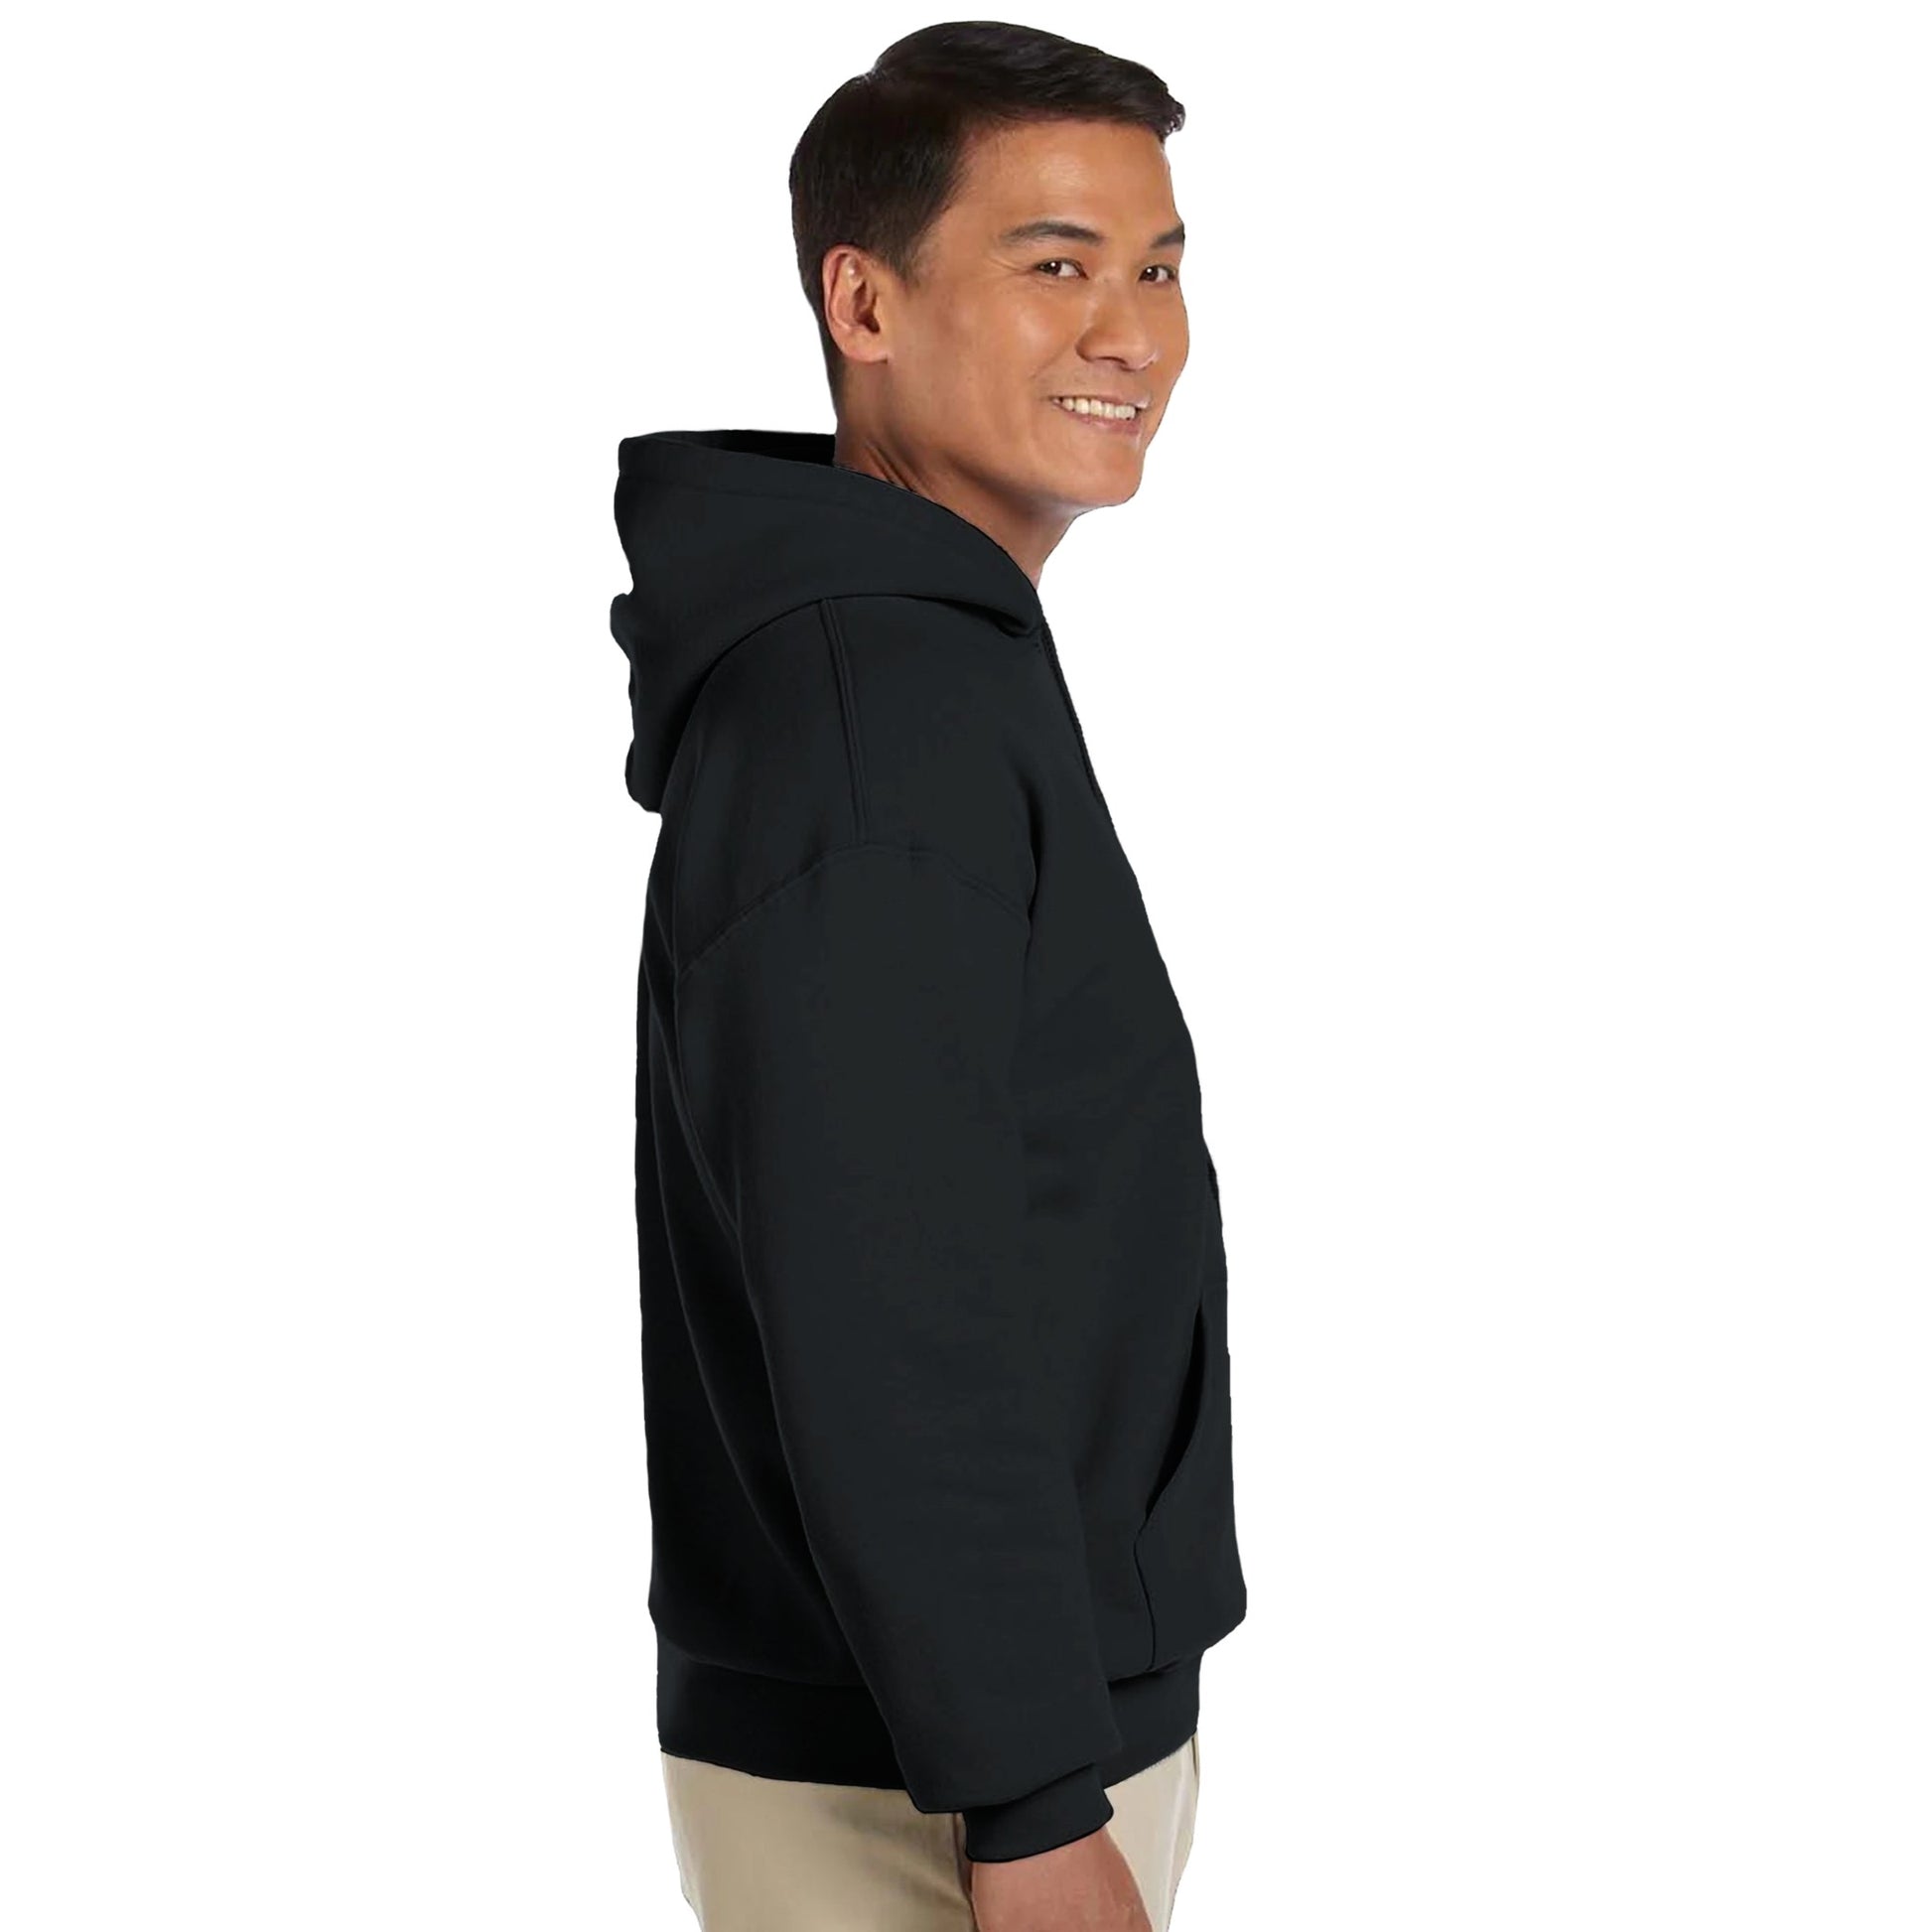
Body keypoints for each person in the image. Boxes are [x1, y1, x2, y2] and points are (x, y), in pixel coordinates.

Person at [606, 22, 1247, 1930]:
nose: (1131, 331)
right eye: (1056, 263)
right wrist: (1033, 1807)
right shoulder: (871, 719)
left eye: (1159, 266)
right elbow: (888, 1299)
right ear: (862, 302)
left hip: (970, 1733)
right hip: (932, 1783)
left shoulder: (922, 660)